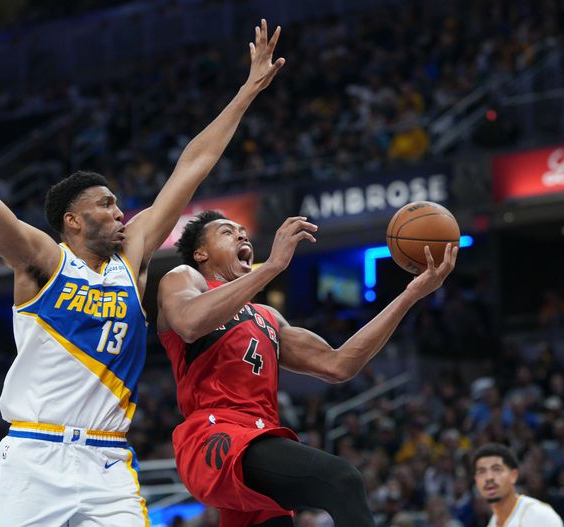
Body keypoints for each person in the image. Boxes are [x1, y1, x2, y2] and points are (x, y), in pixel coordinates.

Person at [0, 20, 285, 526]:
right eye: (106, 204)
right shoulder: (42, 259)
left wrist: (247, 90)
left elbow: (193, 165)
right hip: (36, 458)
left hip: (107, 462)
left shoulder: (132, 261)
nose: (120, 212)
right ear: (73, 220)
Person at [156, 210, 458, 526]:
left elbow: (339, 364)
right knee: (342, 480)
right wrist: (273, 266)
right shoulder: (185, 278)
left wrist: (409, 296)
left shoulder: (268, 317)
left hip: (259, 437)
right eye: (227, 232)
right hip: (214, 436)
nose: (242, 235)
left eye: (243, 231)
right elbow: (189, 323)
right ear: (200, 253)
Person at [473, 443, 564, 527]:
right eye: (482, 472)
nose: (489, 478)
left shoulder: (539, 514)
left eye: (496, 469)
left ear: (513, 475)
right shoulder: (493, 523)